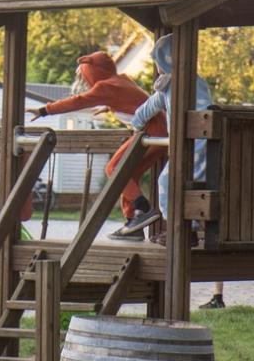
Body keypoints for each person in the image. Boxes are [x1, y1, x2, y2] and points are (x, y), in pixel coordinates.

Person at [27, 50, 168, 241]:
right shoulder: (120, 80)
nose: (84, 80)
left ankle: (143, 208)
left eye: (84, 74)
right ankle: (133, 225)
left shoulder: (105, 86)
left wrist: (45, 110)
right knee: (128, 174)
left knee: (114, 168)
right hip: (161, 132)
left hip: (151, 132)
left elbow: (77, 101)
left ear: (93, 72)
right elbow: (131, 99)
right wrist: (109, 106)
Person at [122, 33, 214, 243]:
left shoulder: (168, 84)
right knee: (197, 184)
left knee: (167, 182)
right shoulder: (198, 81)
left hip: (188, 143)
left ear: (165, 60)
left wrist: (136, 126)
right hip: (208, 140)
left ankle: (177, 230)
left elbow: (147, 109)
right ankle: (191, 228)